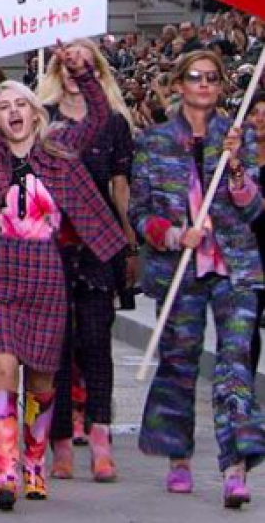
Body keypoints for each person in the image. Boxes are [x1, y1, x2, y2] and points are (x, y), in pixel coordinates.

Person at [0, 24, 126, 510]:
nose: (13, 112)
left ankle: (35, 461)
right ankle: (5, 471)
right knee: (1, 370)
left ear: (34, 112)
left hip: (46, 277)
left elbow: (101, 113)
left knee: (41, 381)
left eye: (20, 103)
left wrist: (77, 68)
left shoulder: (60, 152)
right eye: (3, 106)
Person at [131, 50, 265, 509]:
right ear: (179, 83)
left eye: (212, 77)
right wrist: (172, 235)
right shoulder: (155, 141)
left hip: (236, 268)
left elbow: (254, 208)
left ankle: (235, 466)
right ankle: (177, 457)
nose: (204, 84)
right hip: (179, 269)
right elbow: (140, 214)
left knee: (235, 365)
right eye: (195, 76)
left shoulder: (239, 135)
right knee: (179, 361)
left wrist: (235, 168)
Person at [37, 40, 136, 482]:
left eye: (85, 60)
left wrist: (127, 240)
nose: (76, 67)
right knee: (55, 348)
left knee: (96, 343)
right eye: (68, 60)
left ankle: (100, 438)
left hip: (98, 245)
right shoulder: (41, 118)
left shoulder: (111, 123)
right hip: (50, 244)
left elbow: (120, 183)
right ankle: (60, 442)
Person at [247, 92, 265, 375]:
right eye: (256, 112)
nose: (261, 119)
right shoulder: (235, 157)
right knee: (247, 324)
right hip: (247, 249)